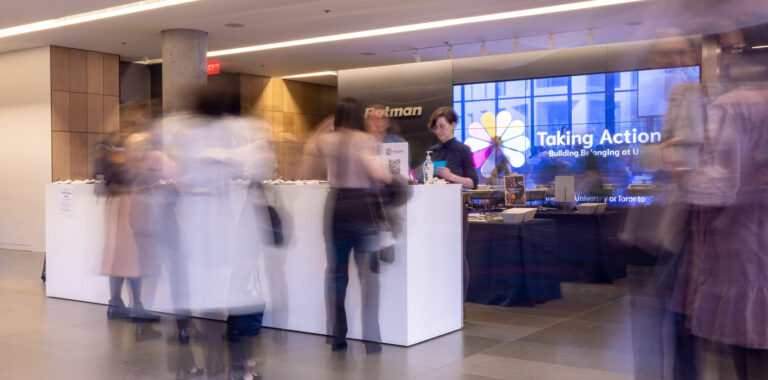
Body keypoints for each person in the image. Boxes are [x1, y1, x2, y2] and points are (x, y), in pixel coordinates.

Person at [316, 97, 392, 353]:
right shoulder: (365, 140)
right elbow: (383, 175)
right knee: (369, 277)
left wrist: (326, 125)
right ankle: (372, 340)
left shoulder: (328, 139)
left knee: (336, 275)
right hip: (361, 210)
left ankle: (337, 337)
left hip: (336, 208)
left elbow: (311, 146)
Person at [426, 106, 478, 190]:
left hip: (454, 200)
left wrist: (451, 176)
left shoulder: (463, 150)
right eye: (435, 128)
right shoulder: (433, 151)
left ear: (452, 125)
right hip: (432, 198)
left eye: (442, 126)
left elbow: (473, 183)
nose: (438, 131)